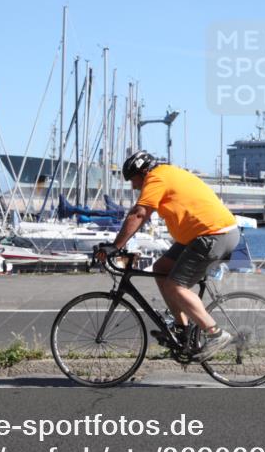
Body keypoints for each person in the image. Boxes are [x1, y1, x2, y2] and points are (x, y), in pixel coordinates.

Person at [97, 150, 238, 361]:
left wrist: (116, 246)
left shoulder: (156, 177)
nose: (134, 186)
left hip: (213, 235)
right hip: (203, 235)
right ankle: (183, 332)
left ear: (144, 172)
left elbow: (140, 213)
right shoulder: (166, 173)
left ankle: (215, 333)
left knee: (175, 285)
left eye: (134, 180)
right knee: (161, 269)